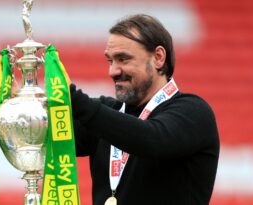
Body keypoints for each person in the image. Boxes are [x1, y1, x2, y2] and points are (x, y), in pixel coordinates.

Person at [69, 14, 220, 205]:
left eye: (123, 59)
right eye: (110, 61)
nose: (113, 71)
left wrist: (75, 100)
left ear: (158, 58)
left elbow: (151, 138)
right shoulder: (107, 114)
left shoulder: (193, 112)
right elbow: (45, 136)